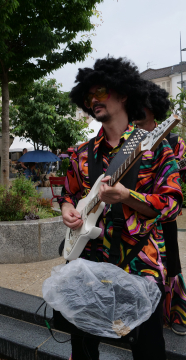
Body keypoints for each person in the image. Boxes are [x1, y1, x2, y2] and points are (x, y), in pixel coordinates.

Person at [60, 57, 183, 360]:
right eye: (88, 96)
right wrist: (67, 210)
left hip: (139, 265)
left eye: (100, 91)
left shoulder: (153, 146)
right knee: (83, 349)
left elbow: (172, 205)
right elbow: (68, 194)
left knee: (148, 349)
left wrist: (128, 196)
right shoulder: (81, 153)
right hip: (89, 264)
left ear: (123, 93)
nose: (93, 100)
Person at [134, 81, 186, 335]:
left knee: (170, 265)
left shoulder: (175, 141)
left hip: (163, 215)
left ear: (154, 110)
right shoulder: (128, 140)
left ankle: (173, 313)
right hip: (137, 217)